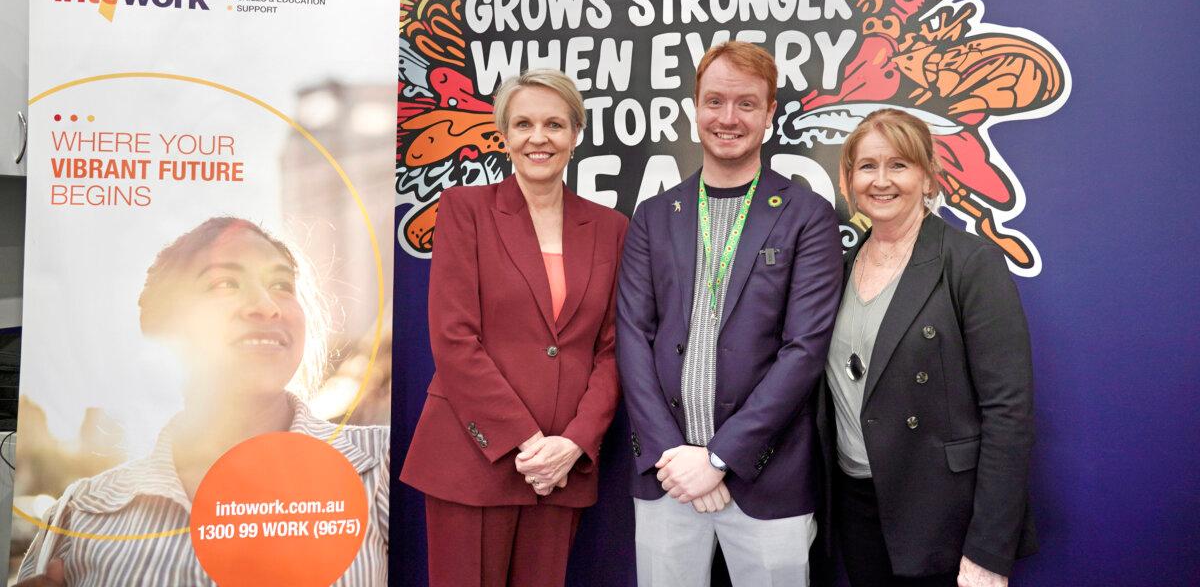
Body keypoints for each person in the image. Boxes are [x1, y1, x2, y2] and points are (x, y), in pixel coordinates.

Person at [16, 217, 389, 586]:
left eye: (281, 284)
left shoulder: (387, 468)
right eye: (224, 283)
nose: (266, 306)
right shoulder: (81, 513)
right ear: (164, 323)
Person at [616, 41, 843, 586]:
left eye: (746, 104)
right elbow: (631, 335)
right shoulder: (652, 216)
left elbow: (804, 350)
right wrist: (677, 456)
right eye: (715, 101)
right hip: (665, 476)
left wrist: (718, 458)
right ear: (695, 107)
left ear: (769, 114)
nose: (728, 118)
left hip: (769, 478)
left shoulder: (807, 214)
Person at [400, 68, 627, 587]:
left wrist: (573, 443)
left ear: (576, 133)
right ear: (504, 136)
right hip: (473, 458)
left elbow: (614, 350)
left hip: (561, 470)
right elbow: (455, 340)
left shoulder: (611, 228)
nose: (538, 138)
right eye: (523, 124)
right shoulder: (465, 210)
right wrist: (528, 442)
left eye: (553, 124)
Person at [818, 108, 1036, 587]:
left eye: (899, 165)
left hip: (943, 515)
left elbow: (1008, 411)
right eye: (867, 166)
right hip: (857, 510)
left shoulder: (970, 262)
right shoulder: (839, 268)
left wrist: (989, 551)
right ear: (849, 179)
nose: (881, 180)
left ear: (928, 176)